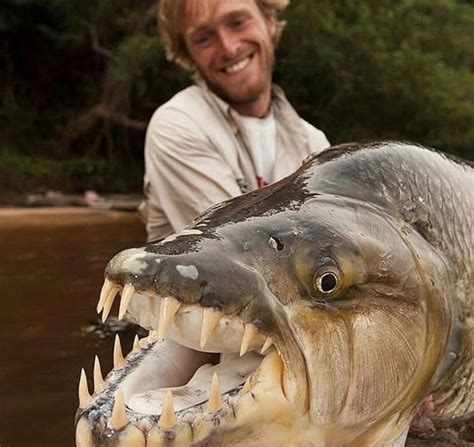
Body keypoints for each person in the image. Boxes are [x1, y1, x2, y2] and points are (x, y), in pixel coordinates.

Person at [139, 0, 330, 242]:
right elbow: (238, 249)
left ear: (268, 19)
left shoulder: (314, 143)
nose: (228, 48)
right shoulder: (176, 126)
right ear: (188, 53)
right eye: (204, 38)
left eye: (237, 23)